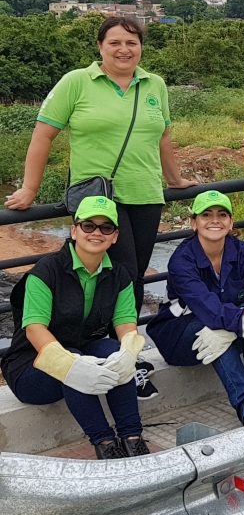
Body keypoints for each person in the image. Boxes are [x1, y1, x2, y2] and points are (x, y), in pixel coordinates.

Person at [4, 15, 195, 399]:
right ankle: (117, 358)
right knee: (117, 274)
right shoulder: (77, 81)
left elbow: (163, 137)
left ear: (141, 47)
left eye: (131, 42)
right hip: (98, 199)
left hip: (145, 194)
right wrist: (29, 188)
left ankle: (121, 356)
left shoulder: (155, 84)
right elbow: (43, 134)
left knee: (132, 276)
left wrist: (175, 180)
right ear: (100, 47)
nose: (124, 49)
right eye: (115, 43)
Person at [0, 197, 151, 459]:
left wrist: (129, 352)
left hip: (82, 350)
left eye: (106, 228)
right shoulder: (46, 272)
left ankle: (132, 438)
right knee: (74, 360)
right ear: (74, 231)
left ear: (115, 236)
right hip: (31, 366)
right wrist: (69, 364)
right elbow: (34, 328)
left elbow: (125, 324)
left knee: (114, 351)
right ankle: (105, 444)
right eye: (88, 225)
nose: (96, 233)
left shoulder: (119, 276)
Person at [146, 191, 244, 425]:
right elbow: (208, 309)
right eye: (206, 215)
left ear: (231, 222)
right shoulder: (182, 260)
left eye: (222, 215)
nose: (215, 220)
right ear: (194, 223)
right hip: (180, 337)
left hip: (225, 327)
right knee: (218, 327)